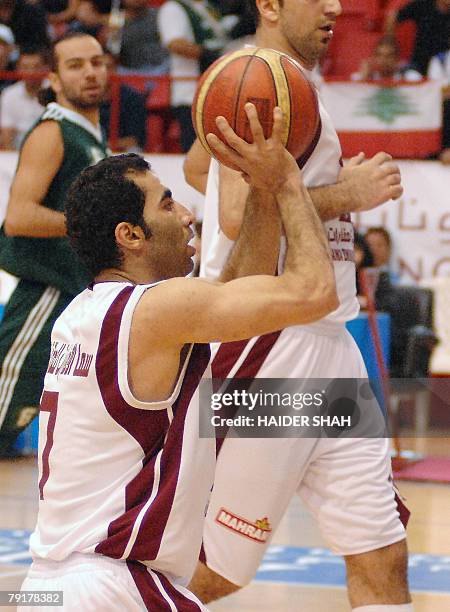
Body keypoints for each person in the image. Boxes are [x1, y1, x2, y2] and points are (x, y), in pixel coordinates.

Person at [19, 106, 338, 610]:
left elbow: (234, 292)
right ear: (130, 236)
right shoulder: (157, 311)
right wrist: (287, 183)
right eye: (167, 206)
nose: (189, 215)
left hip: (48, 586)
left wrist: (257, 189)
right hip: (114, 585)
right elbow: (316, 292)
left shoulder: (86, 314)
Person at [184, 1, 413, 610]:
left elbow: (196, 165)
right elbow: (236, 216)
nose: (336, 7)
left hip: (330, 342)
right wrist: (348, 193)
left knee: (381, 551)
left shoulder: (282, 83)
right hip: (270, 345)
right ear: (270, 5)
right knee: (213, 572)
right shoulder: (256, 81)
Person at [0, 32, 108, 455]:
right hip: (47, 284)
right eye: (76, 65)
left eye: (96, 62)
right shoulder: (53, 132)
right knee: (9, 393)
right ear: (56, 79)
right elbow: (19, 217)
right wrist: (89, 224)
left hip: (73, 289)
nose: (90, 72)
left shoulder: (90, 137)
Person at [157, 0, 228, 152]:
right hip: (190, 93)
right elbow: (175, 43)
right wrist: (207, 54)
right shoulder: (173, 8)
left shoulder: (208, 6)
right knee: (195, 152)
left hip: (217, 91)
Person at [0, 46, 48, 150]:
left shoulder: (55, 91)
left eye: (36, 66)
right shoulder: (9, 94)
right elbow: (7, 136)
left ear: (45, 68)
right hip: (17, 153)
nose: (31, 72)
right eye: (25, 67)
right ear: (18, 69)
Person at [385, 0, 450, 76]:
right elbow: (394, 16)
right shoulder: (422, 5)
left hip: (444, 63)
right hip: (419, 62)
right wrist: (389, 41)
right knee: (412, 76)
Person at [351, 36, 420, 82]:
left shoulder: (410, 77)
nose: (383, 60)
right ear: (374, 58)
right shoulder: (361, 76)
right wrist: (364, 78)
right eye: (379, 55)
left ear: (397, 59)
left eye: (389, 56)